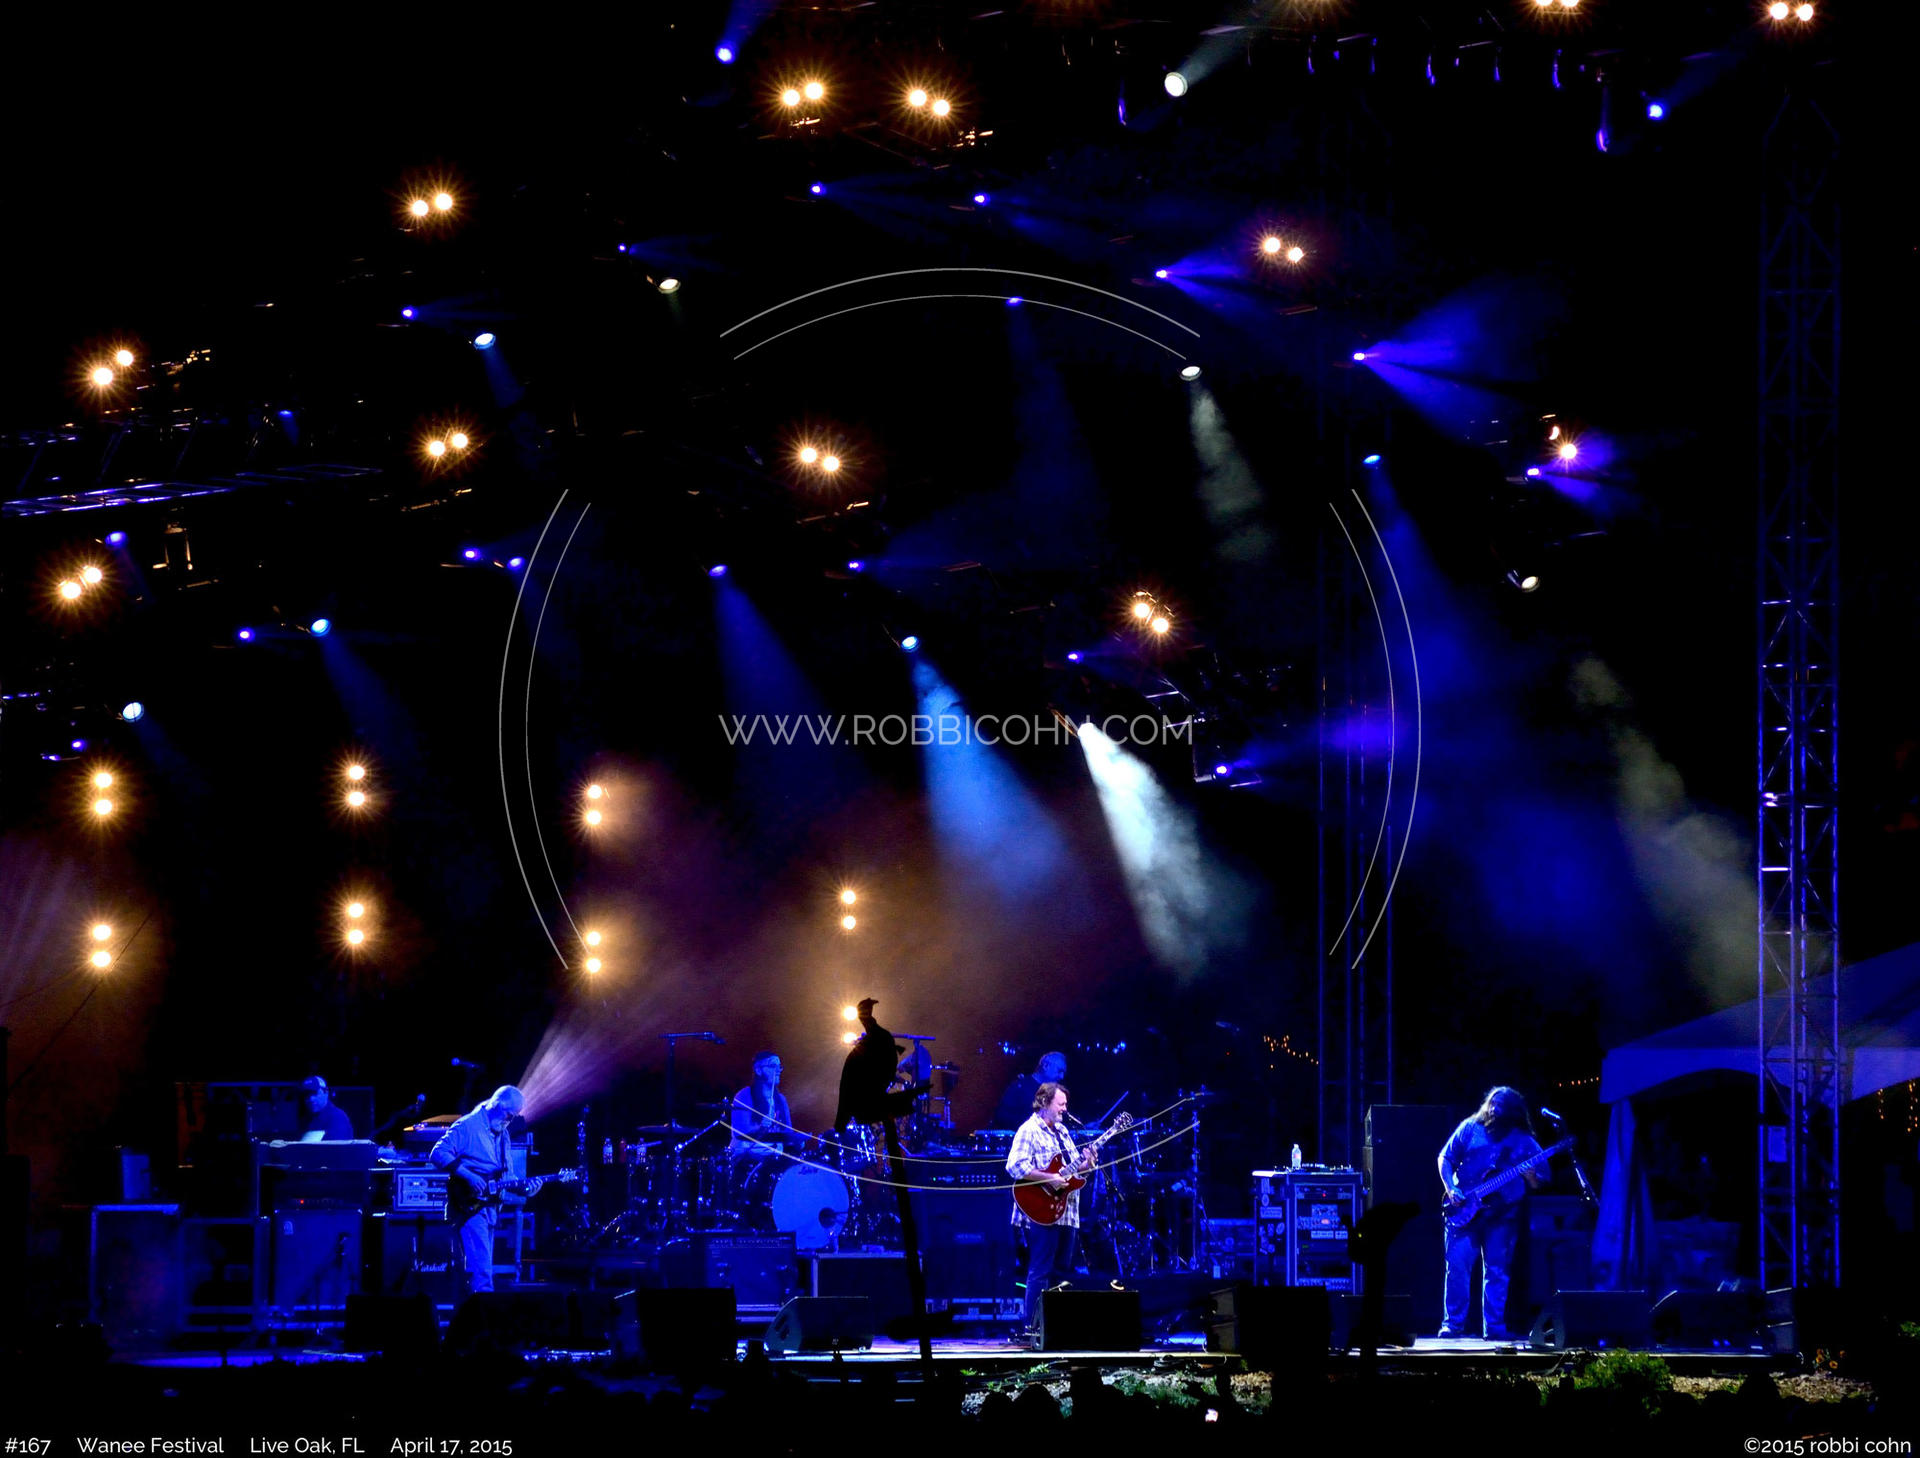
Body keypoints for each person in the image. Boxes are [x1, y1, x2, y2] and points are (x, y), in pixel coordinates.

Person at [1436, 1086, 1547, 1341]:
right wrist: (1451, 1188)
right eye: (1492, 1103)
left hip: (1503, 1216)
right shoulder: (1470, 1128)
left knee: (1497, 1271)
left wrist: (1531, 1176)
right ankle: (1452, 1325)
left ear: (1513, 1111)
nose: (1494, 1109)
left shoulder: (1524, 1140)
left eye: (1500, 1106)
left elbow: (1540, 1180)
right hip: (1465, 1209)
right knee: (1457, 1268)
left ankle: (1494, 1328)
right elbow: (1445, 1157)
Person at [1006, 1081, 1093, 1343]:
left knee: (1061, 1271)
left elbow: (1075, 1172)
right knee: (1040, 1270)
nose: (1065, 1109)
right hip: (1040, 1211)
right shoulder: (1029, 1130)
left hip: (1066, 1211)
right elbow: (1014, 1166)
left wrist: (1088, 1163)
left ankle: (1054, 1327)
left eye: (1066, 1104)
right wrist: (1048, 1178)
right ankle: (1031, 1329)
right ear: (1044, 1102)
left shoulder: (1063, 1132)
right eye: (1060, 1104)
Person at [429, 1085, 525, 1296]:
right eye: (509, 1114)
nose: (510, 1120)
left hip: (489, 1208)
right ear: (496, 1105)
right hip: (469, 1208)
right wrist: (469, 1176)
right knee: (482, 1274)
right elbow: (437, 1153)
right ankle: (482, 1315)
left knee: (477, 1271)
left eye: (514, 1117)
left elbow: (507, 1176)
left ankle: (468, 1313)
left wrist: (526, 1188)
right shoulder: (468, 1126)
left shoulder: (503, 1133)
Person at [729, 1051, 794, 1154]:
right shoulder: (744, 1095)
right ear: (758, 1070)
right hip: (746, 1156)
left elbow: (788, 1132)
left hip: (774, 1157)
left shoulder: (781, 1099)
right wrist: (761, 1127)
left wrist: (797, 1141)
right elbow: (740, 1131)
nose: (778, 1070)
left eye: (779, 1067)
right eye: (772, 1066)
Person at [991, 1051, 1067, 1132]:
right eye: (1059, 1071)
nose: (1062, 1076)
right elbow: (1002, 1116)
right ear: (1045, 1066)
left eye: (1063, 1073)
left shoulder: (1056, 1092)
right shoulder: (1019, 1087)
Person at [297, 1075, 356, 1141]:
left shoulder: (337, 1117)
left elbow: (336, 1147)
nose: (311, 1099)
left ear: (326, 1092)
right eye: (306, 1095)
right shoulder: (308, 1119)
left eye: (315, 1093)